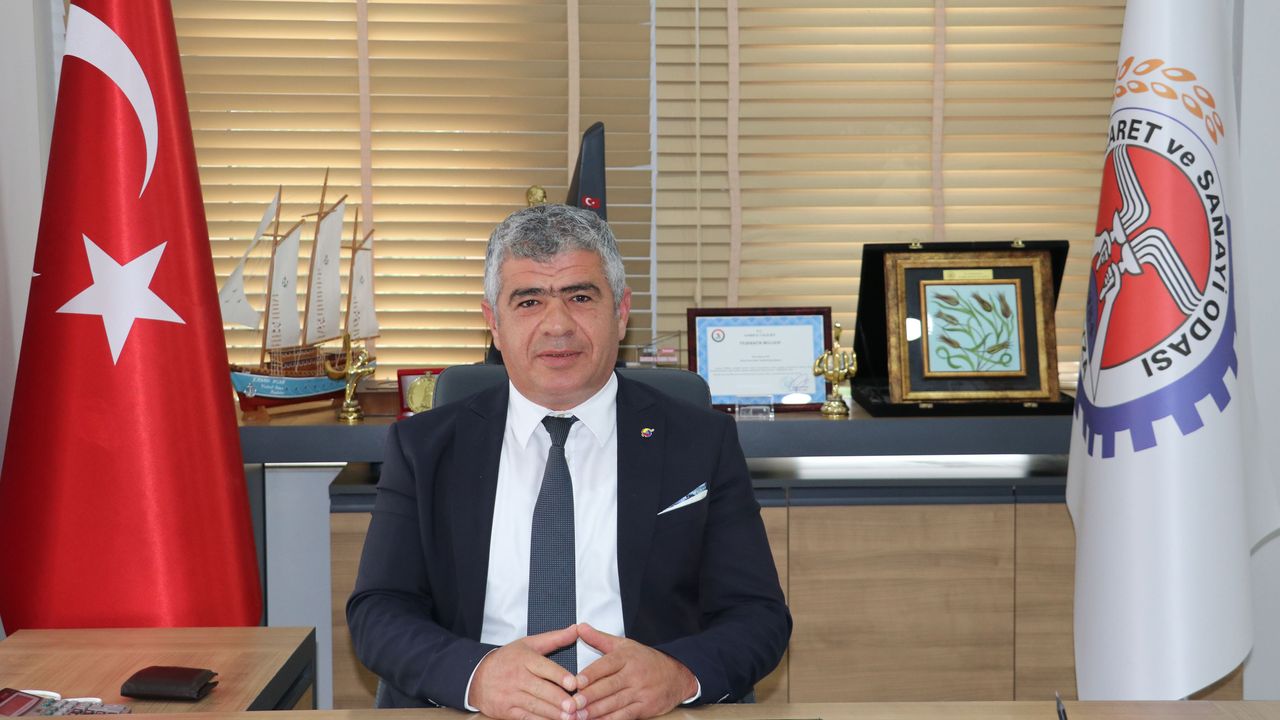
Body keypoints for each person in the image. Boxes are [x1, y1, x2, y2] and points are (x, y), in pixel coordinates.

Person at [347, 204, 790, 720]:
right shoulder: (424, 447)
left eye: (580, 297)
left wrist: (676, 674)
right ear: (493, 323)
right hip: (478, 711)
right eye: (529, 301)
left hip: (647, 714)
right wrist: (475, 676)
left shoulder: (699, 441)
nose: (557, 325)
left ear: (621, 312)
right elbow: (379, 610)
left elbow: (758, 615)